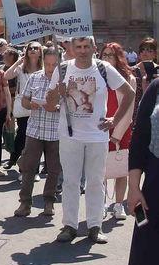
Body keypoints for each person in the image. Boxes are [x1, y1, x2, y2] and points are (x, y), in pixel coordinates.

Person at [87, 78, 159, 265]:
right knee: (145, 254)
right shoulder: (156, 88)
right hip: (155, 184)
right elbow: (140, 138)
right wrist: (133, 185)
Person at [45, 36, 134, 244]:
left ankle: (95, 226)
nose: (83, 51)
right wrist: (56, 93)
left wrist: (115, 120)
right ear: (72, 48)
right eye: (79, 47)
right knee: (70, 182)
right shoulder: (63, 69)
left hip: (97, 136)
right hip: (69, 135)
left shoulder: (103, 68)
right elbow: (49, 105)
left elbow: (128, 93)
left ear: (94, 48)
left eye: (87, 47)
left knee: (95, 182)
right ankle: (69, 225)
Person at [14, 46, 62, 217]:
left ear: (59, 63)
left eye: (53, 65)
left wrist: (56, 107)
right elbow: (24, 100)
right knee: (28, 167)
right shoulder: (35, 77)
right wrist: (30, 104)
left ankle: (49, 202)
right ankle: (25, 203)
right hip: (34, 130)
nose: (50, 68)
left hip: (55, 132)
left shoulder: (64, 80)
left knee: (54, 169)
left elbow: (70, 106)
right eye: (47, 64)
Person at [100, 42, 136, 220]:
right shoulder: (97, 75)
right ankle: (101, 204)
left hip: (121, 129)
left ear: (118, 57)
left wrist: (116, 135)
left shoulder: (128, 78)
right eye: (104, 55)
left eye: (110, 55)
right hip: (100, 127)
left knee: (121, 168)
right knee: (100, 168)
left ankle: (118, 205)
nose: (106, 58)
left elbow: (129, 110)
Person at [4, 42, 42, 170]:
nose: (32, 50)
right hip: (24, 106)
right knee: (22, 134)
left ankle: (31, 168)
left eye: (36, 48)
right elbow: (6, 76)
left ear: (40, 52)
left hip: (39, 107)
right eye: (30, 48)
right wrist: (18, 62)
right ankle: (15, 159)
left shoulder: (43, 68)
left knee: (35, 139)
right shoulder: (21, 67)